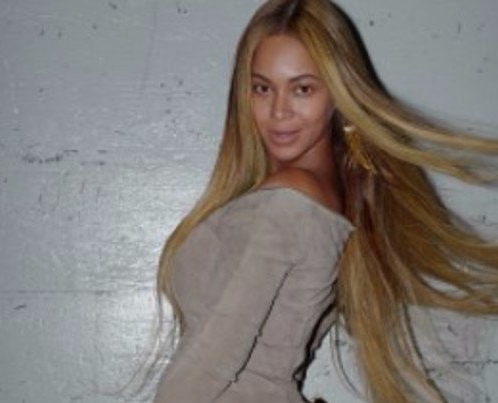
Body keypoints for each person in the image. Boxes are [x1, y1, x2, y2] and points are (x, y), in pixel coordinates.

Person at [138, 1, 498, 402]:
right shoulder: (325, 196)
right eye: (262, 88)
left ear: (338, 93)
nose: (279, 111)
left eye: (303, 89)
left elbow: (212, 359)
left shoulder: (291, 200)